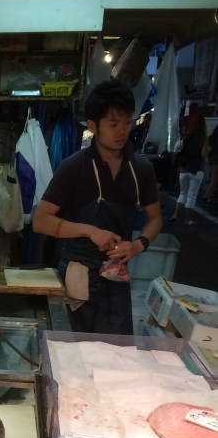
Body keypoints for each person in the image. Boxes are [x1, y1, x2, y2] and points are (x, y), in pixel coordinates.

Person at [33, 79, 162, 336]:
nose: (122, 131)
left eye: (127, 122)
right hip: (78, 276)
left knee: (117, 353)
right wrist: (89, 231)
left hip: (117, 277)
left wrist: (138, 245)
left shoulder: (141, 169)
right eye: (113, 124)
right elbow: (41, 221)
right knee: (73, 351)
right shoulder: (73, 167)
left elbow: (155, 218)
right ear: (93, 126)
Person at [170, 110, 208, 225]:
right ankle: (188, 219)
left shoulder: (186, 136)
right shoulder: (203, 138)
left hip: (184, 169)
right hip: (197, 169)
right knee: (192, 195)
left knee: (182, 193)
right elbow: (203, 155)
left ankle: (175, 215)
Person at [203, 122, 218, 205]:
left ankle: (206, 194)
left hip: (213, 156)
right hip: (216, 157)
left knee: (213, 177)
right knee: (214, 179)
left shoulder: (215, 132)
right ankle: (208, 197)